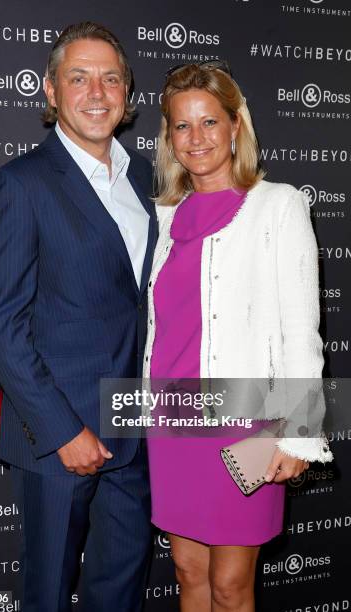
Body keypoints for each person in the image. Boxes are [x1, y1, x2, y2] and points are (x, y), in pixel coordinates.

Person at [0, 22, 157, 612]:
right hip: (59, 437)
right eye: (79, 78)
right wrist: (62, 431)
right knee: (48, 591)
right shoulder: (19, 185)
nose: (96, 93)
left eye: (110, 78)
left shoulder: (147, 180)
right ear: (52, 92)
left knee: (120, 590)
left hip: (136, 427)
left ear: (127, 93)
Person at [143, 61, 333, 612]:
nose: (196, 138)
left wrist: (298, 432)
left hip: (247, 421)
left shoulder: (278, 205)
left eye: (209, 122)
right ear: (169, 138)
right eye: (182, 126)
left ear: (235, 127)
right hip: (173, 418)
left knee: (230, 585)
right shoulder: (165, 217)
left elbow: (302, 328)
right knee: (187, 572)